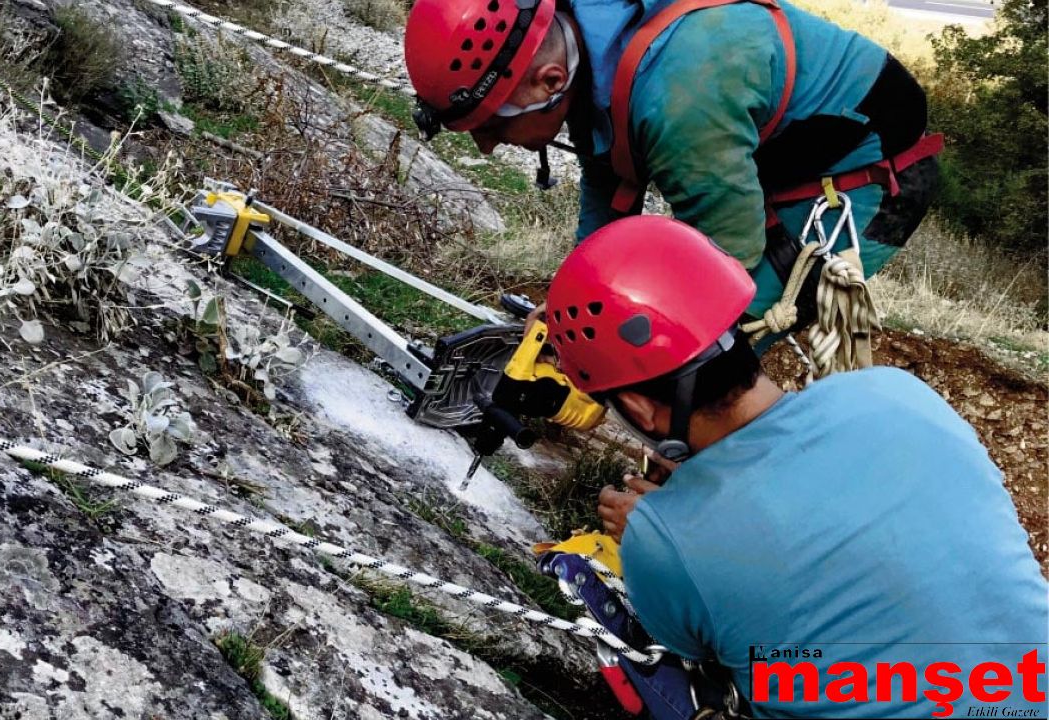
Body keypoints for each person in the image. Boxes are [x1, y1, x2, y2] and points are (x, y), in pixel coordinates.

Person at [541, 215, 1047, 718]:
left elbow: (707, 647)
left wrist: (660, 531)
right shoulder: (897, 390)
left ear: (638, 407)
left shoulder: (660, 541)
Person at [404, 0, 942, 334]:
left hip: (872, 173)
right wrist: (571, 307)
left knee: (729, 331)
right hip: (776, 148)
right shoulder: (591, 53)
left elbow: (728, 260)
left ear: (547, 81)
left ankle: (685, 485)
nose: (487, 148)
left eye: (491, 125)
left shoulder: (678, 105)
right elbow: (608, 196)